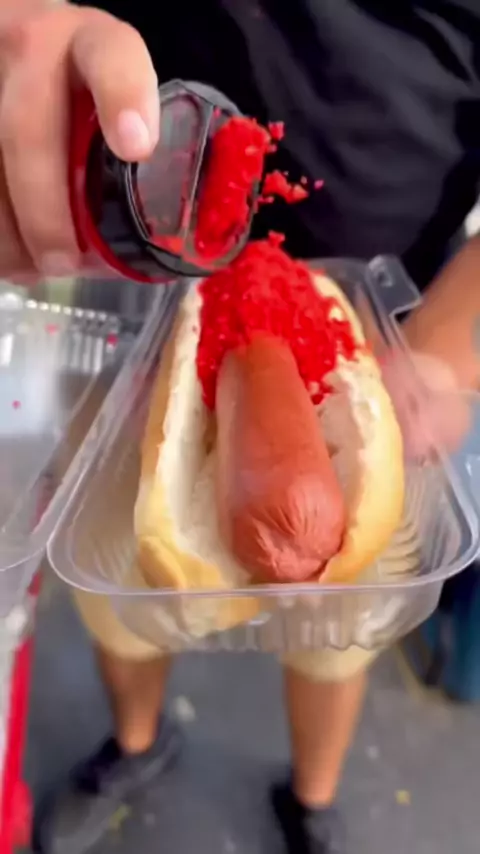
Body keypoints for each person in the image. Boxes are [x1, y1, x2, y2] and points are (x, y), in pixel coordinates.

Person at [1, 2, 480, 853]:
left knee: (336, 636)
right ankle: (137, 746)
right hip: (132, 266)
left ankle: (311, 798)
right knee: (120, 597)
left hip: (393, 327)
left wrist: (448, 350)